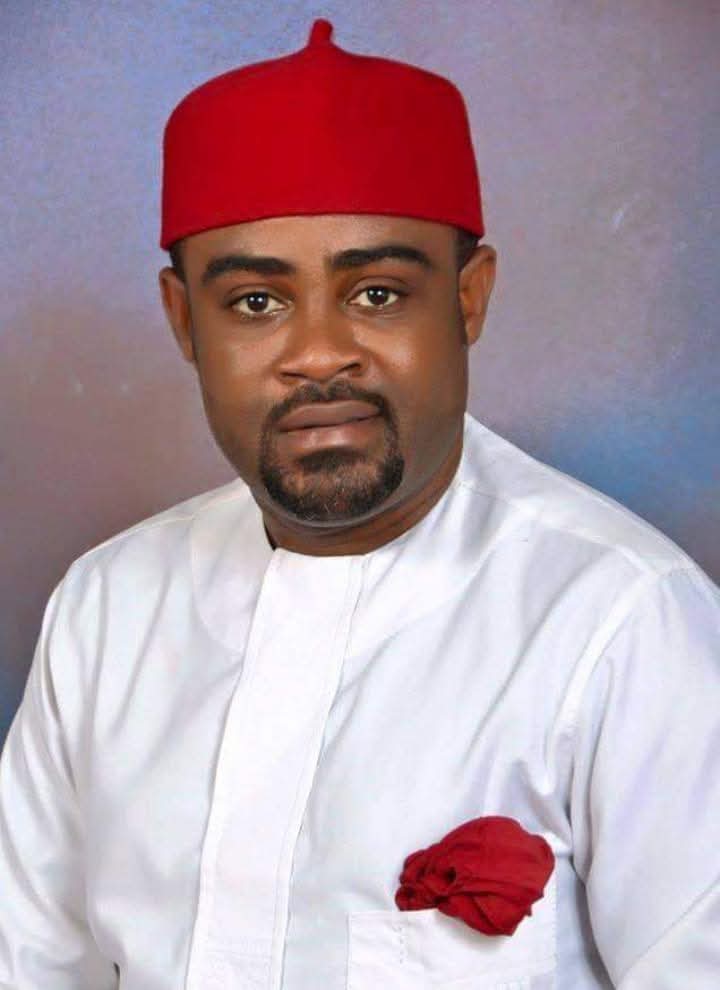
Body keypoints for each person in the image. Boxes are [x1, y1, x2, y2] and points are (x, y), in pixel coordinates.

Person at [0, 17, 718, 990]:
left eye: (377, 294)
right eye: (256, 303)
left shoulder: (620, 621)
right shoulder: (106, 610)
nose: (318, 354)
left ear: (469, 297)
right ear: (183, 320)